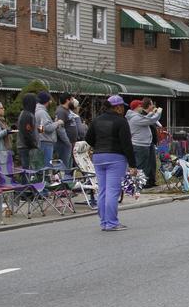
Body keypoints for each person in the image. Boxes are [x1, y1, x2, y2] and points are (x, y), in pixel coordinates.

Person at [85, 95, 137, 231]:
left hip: (98, 157)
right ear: (118, 107)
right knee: (113, 191)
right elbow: (127, 145)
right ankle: (112, 223)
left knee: (102, 190)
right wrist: (133, 164)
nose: (124, 109)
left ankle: (104, 222)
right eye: (123, 107)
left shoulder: (97, 120)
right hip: (116, 157)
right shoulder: (121, 121)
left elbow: (88, 138)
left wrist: (98, 145)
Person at [126, 99, 163, 189]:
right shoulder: (135, 118)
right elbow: (150, 120)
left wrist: (151, 113)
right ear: (138, 107)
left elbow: (146, 118)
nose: (142, 107)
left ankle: (142, 183)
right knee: (141, 166)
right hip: (140, 145)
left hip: (143, 144)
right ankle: (137, 186)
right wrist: (158, 112)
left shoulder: (136, 116)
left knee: (144, 165)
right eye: (141, 106)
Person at [34, 91, 60, 167]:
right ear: (47, 101)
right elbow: (47, 128)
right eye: (49, 100)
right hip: (45, 142)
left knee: (40, 166)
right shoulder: (42, 113)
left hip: (41, 141)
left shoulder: (37, 111)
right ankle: (46, 179)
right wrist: (57, 123)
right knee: (46, 167)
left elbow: (41, 128)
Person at [54, 92, 77, 171]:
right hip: (64, 143)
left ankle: (68, 179)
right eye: (71, 99)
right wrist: (67, 142)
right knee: (64, 165)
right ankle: (63, 180)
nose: (73, 101)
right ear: (67, 100)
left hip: (70, 143)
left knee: (69, 165)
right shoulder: (61, 111)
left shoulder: (68, 110)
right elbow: (60, 128)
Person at [16, 93, 39, 170]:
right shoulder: (27, 115)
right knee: (27, 170)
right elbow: (27, 132)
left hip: (26, 146)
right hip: (26, 147)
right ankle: (26, 182)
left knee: (27, 168)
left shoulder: (26, 113)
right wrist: (33, 145)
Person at [0, 101, 12, 167]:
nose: (3, 109)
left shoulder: (1, 121)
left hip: (3, 152)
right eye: (1, 108)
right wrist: (6, 131)